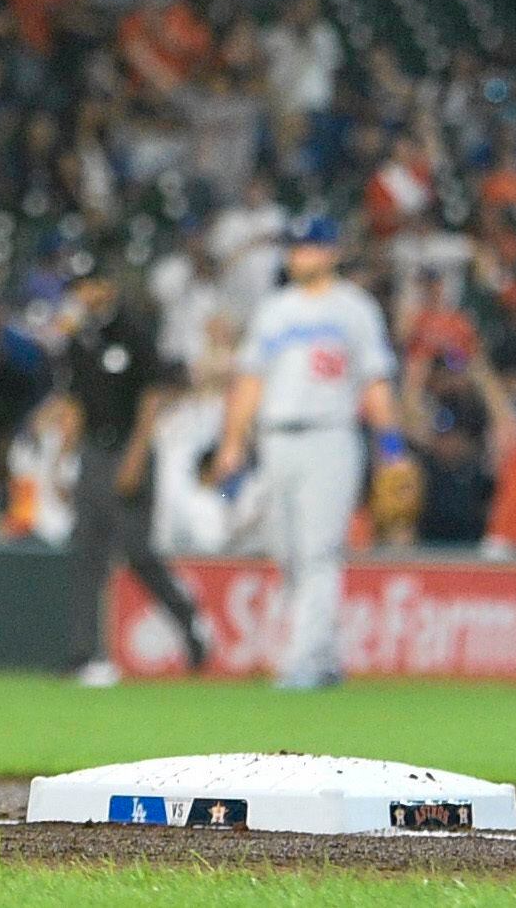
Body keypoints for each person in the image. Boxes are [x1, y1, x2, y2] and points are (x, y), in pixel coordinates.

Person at [211, 216, 406, 690]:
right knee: (286, 551)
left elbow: (375, 383)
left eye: (310, 247)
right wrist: (233, 443)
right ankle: (326, 657)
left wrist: (393, 447)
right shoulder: (274, 310)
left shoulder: (354, 309)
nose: (300, 255)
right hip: (276, 440)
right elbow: (250, 380)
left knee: (319, 552)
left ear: (331, 252)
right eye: (295, 247)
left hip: (331, 437)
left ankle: (301, 663)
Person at [57, 275, 208, 685]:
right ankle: (84, 655)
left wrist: (137, 456)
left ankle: (190, 622)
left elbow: (152, 396)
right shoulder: (78, 339)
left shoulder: (133, 329)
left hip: (129, 446)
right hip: (94, 450)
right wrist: (61, 461)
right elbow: (75, 403)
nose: (84, 294)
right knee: (86, 552)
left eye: (90, 285)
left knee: (136, 549)